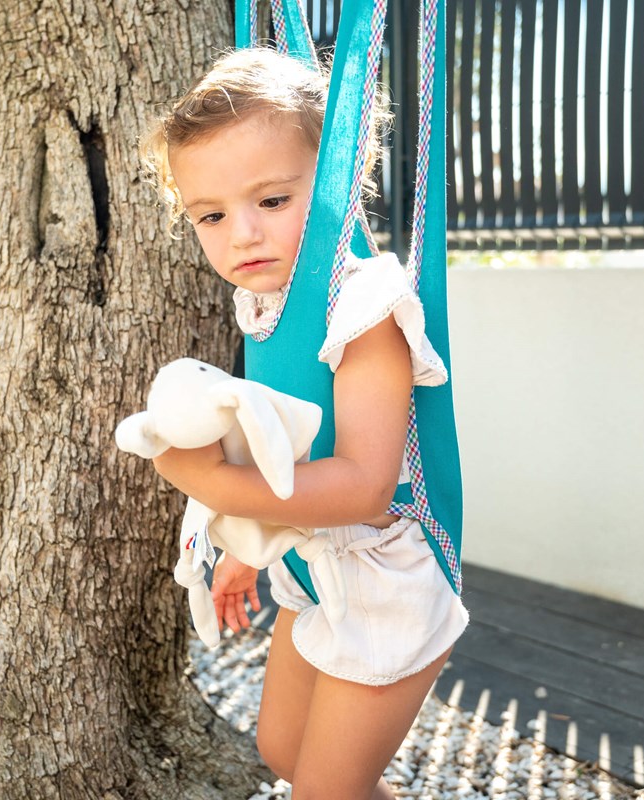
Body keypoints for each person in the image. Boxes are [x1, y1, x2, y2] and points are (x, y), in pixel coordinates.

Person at [141, 46, 469, 800]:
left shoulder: (364, 309)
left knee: (327, 789)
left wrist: (218, 488)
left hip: (386, 578)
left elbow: (359, 483)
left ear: (337, 183)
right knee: (283, 749)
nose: (243, 235)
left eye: (273, 202)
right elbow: (289, 440)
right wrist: (250, 550)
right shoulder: (264, 300)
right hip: (312, 564)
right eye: (212, 216)